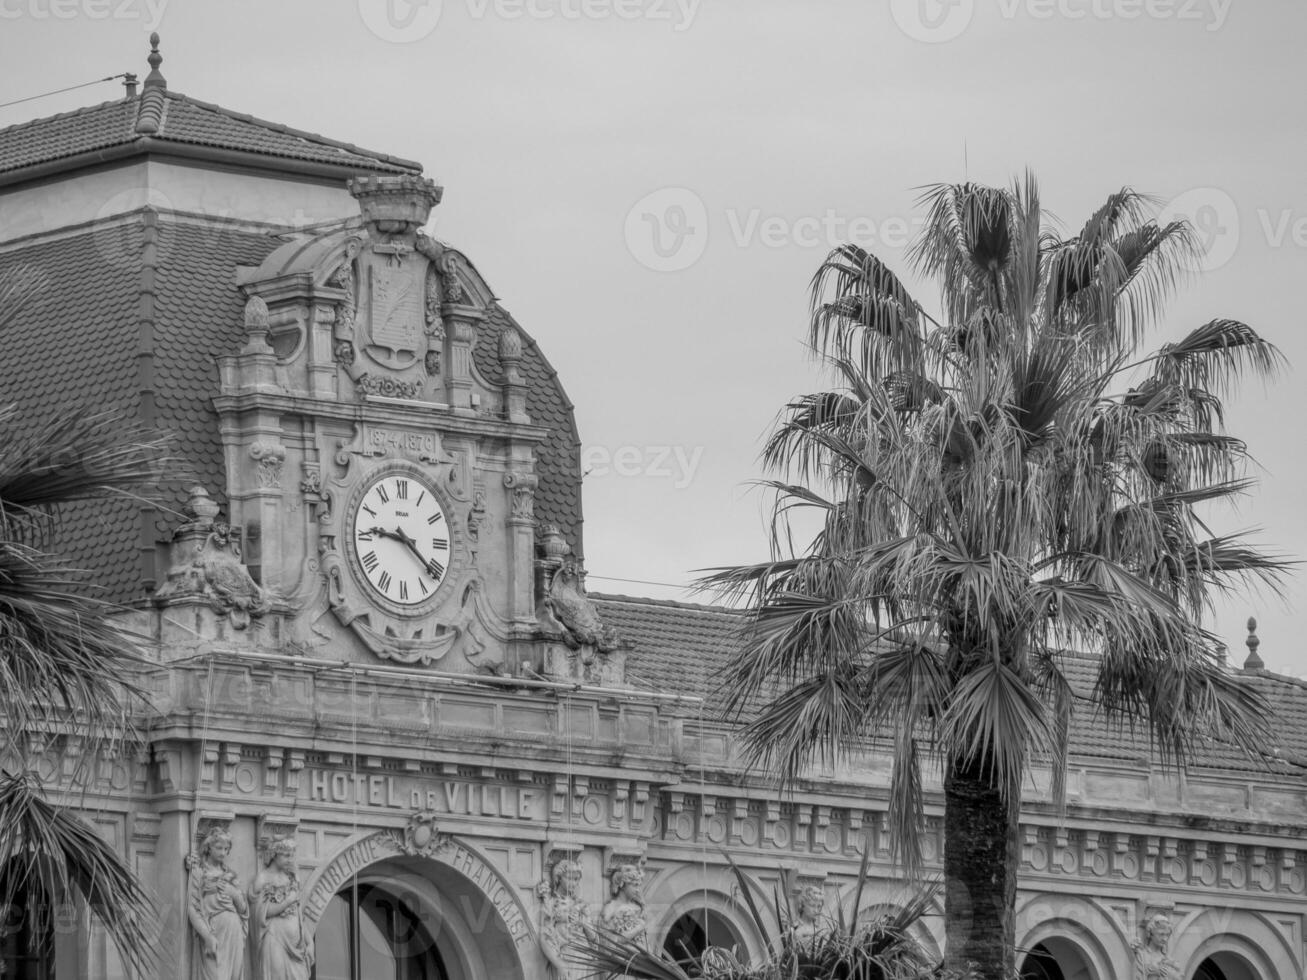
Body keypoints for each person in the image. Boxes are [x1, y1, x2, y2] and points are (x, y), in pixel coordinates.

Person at [187, 827, 248, 980]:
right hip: (213, 930)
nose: (223, 853)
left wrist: (232, 892)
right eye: (219, 848)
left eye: (226, 849)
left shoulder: (230, 875)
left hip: (234, 930)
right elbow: (192, 908)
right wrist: (207, 936)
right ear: (208, 847)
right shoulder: (199, 872)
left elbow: (243, 908)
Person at [250, 838, 312, 980]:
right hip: (274, 938)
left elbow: (299, 916)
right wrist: (288, 901)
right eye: (286, 855)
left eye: (291, 855)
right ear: (274, 854)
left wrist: (310, 942)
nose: (290, 860)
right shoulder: (263, 878)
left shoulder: (291, 878)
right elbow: (261, 912)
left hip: (296, 945)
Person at [538, 859, 592, 979]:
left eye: (576, 879)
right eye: (570, 878)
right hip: (565, 956)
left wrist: (583, 923)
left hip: (583, 957)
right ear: (558, 878)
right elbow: (544, 937)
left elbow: (594, 938)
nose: (573, 883)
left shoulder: (581, 905)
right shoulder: (551, 903)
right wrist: (558, 963)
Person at [599, 864, 647, 947]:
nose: (638, 890)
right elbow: (611, 940)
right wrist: (638, 929)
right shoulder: (611, 908)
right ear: (622, 884)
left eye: (639, 885)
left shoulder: (638, 908)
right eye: (635, 885)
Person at [1133, 911, 1180, 980]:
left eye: (1167, 935)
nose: (1165, 939)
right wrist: (1153, 970)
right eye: (1161, 934)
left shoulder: (1168, 959)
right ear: (1150, 933)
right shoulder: (1141, 955)